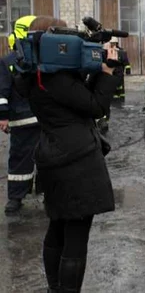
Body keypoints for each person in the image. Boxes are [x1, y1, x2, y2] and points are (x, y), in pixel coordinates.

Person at [17, 16, 121, 292]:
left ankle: (55, 288)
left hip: (54, 157)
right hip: (76, 162)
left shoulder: (37, 74)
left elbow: (79, 96)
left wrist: (96, 62)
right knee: (75, 236)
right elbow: (96, 105)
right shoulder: (57, 79)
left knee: (58, 228)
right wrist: (109, 72)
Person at [0, 15, 39, 214]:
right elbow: (2, 93)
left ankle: (17, 197)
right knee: (24, 158)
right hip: (31, 120)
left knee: (22, 158)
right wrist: (3, 116)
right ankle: (16, 196)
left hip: (30, 119)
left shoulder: (8, 60)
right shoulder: (10, 61)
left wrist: (4, 117)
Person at [96, 37, 130, 134]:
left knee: (119, 88)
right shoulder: (104, 52)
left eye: (114, 43)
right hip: (110, 72)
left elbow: (126, 62)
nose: (113, 45)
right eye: (112, 43)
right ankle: (113, 103)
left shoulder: (121, 52)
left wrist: (127, 70)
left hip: (118, 72)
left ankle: (119, 101)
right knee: (111, 89)